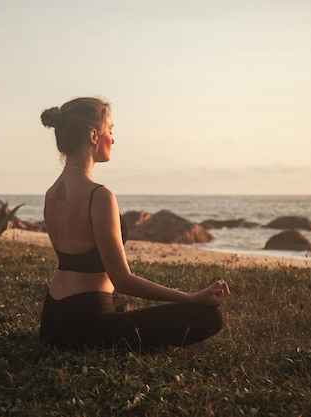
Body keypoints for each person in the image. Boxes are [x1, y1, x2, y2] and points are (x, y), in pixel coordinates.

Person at [38, 96, 230, 352]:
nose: (113, 139)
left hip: (52, 322)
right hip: (87, 324)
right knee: (209, 317)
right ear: (94, 135)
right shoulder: (99, 195)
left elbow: (81, 265)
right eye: (110, 130)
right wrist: (191, 297)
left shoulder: (51, 195)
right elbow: (123, 280)